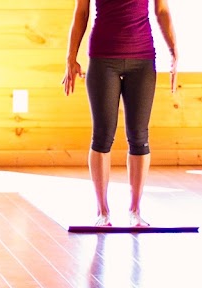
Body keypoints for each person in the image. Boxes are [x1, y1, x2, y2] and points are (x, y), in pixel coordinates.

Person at [63, 0, 177, 227]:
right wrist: (70, 57)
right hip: (103, 60)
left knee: (139, 137)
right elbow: (81, 12)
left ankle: (135, 211)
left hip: (142, 60)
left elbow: (162, 10)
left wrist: (174, 52)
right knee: (103, 136)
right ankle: (102, 212)